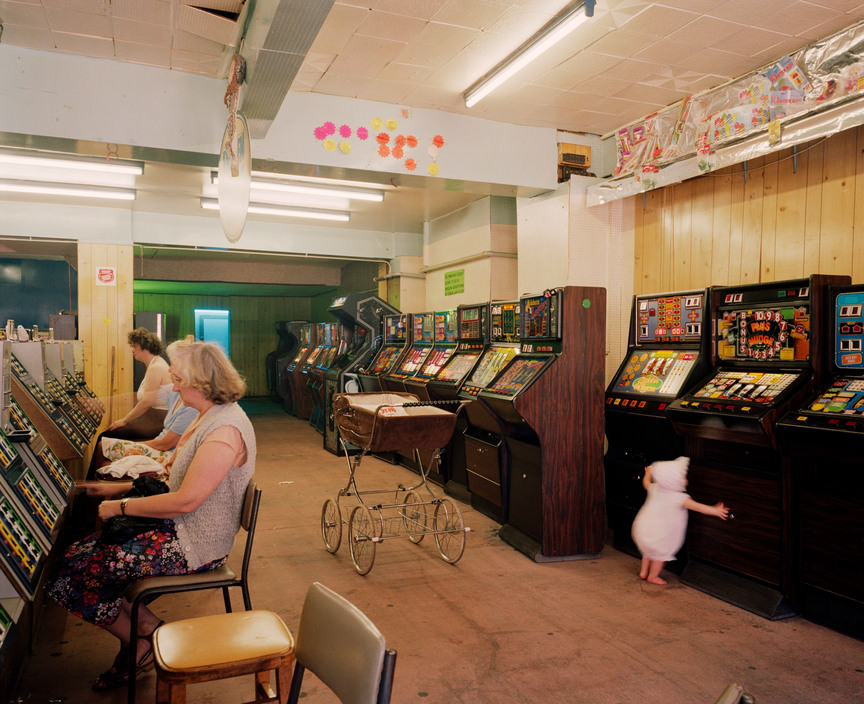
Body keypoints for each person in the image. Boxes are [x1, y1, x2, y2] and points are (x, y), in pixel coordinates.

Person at [47, 341, 256, 691]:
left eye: (178, 380)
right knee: (76, 558)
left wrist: (121, 507)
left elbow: (186, 501)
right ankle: (146, 632)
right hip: (179, 531)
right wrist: (117, 490)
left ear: (202, 382)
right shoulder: (209, 416)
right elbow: (172, 475)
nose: (174, 388)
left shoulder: (224, 430)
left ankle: (146, 636)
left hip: (196, 545)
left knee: (73, 576)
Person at [87, 336, 195, 478]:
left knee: (104, 444)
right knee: (105, 441)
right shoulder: (176, 392)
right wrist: (103, 401)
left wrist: (135, 444)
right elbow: (138, 396)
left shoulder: (190, 403)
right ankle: (93, 490)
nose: (169, 369)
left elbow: (165, 443)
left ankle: (89, 492)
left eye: (173, 363)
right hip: (158, 433)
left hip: (164, 442)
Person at [631, 456, 729, 585]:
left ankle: (644, 572)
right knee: (660, 557)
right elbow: (699, 507)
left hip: (645, 529)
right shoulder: (679, 498)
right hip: (661, 535)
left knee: (648, 551)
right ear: (673, 482)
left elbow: (645, 483)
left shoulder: (656, 488)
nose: (686, 481)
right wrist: (715, 510)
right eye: (683, 479)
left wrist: (648, 473)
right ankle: (652, 576)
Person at [107, 328, 172, 440]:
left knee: (110, 434)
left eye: (134, 346)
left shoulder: (156, 367)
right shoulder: (153, 364)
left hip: (160, 420)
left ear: (145, 347)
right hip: (153, 417)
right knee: (111, 432)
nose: (132, 350)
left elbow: (146, 402)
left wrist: (124, 421)